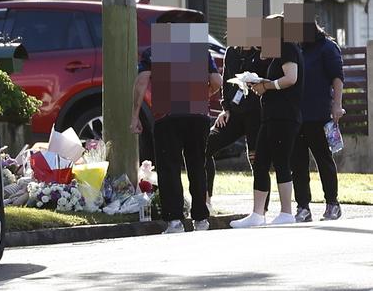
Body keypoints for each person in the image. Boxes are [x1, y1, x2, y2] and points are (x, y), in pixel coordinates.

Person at [131, 45, 221, 234]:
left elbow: (141, 82)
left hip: (167, 115)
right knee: (197, 165)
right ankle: (201, 218)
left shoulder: (153, 51)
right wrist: (204, 95)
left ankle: (174, 221)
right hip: (197, 115)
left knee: (169, 168)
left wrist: (135, 115)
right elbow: (216, 80)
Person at [230, 14, 305, 228]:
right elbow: (278, 80)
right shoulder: (276, 52)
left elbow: (291, 78)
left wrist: (267, 86)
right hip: (271, 116)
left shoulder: (288, 47)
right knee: (261, 162)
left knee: (281, 162)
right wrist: (261, 84)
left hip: (285, 116)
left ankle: (286, 212)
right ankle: (257, 214)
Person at [205, 45, 270, 211]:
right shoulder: (231, 52)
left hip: (258, 113)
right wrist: (225, 109)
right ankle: (206, 201)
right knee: (205, 146)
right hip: (234, 112)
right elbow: (226, 83)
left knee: (257, 159)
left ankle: (261, 210)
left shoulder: (265, 50)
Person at [291, 21, 344, 222]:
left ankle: (332, 203)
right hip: (296, 115)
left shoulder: (327, 47)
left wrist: (337, 104)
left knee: (323, 159)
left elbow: (337, 77)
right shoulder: (295, 48)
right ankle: (303, 207)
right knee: (298, 163)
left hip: (319, 114)